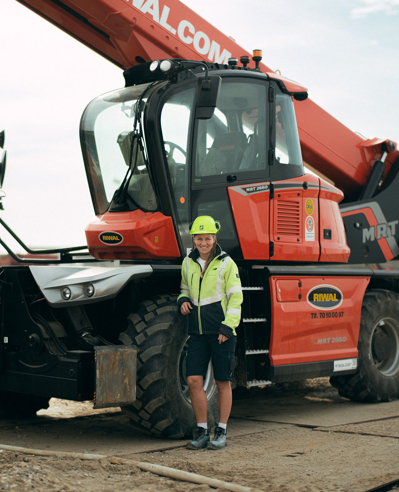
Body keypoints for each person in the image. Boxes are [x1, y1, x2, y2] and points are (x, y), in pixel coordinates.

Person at [177, 216, 243, 450]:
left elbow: (236, 298)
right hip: (197, 333)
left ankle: (221, 431)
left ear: (214, 238)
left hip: (221, 332)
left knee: (222, 381)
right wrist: (183, 299)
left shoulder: (227, 264)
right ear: (193, 239)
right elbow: (184, 287)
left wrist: (228, 326)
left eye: (208, 238)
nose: (203, 242)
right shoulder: (188, 262)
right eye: (199, 238)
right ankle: (202, 430)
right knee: (193, 380)